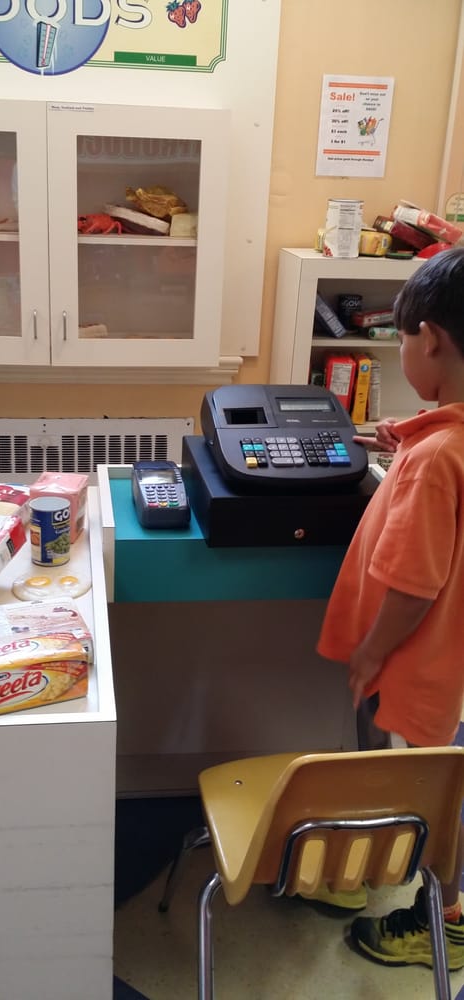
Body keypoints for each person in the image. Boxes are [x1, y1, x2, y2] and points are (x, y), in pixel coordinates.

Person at [317, 246, 464, 970]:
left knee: (426, 790)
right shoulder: (442, 442)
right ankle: (374, 874)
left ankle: (444, 918)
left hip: (416, 659)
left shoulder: (438, 460)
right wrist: (401, 440)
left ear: (429, 339)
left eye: (402, 340)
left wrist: (372, 650)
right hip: (454, 668)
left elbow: (415, 580)